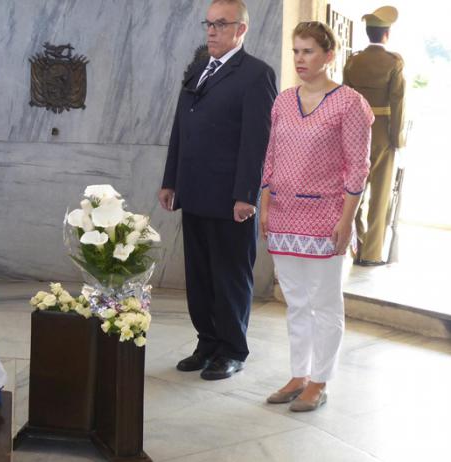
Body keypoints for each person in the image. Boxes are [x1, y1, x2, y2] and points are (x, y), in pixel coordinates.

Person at [159, 0, 277, 380]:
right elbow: (181, 127)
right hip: (193, 192)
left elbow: (257, 141)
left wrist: (247, 194)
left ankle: (232, 349)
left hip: (230, 199)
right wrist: (170, 179)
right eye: (208, 24)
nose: (211, 31)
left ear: (240, 29)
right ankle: (207, 342)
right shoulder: (199, 69)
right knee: (200, 275)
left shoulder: (256, 74)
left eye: (220, 24)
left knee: (229, 276)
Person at [260, 21, 373, 411]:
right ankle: (298, 374)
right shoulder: (283, 101)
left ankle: (320, 381)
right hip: (284, 215)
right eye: (296, 51)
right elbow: (271, 155)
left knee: (324, 302)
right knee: (295, 301)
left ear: (329, 56)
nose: (300, 59)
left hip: (326, 216)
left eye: (308, 51)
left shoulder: (349, 103)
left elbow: (357, 167)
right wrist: (265, 201)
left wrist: (347, 219)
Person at [343, 6, 405, 266]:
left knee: (353, 191)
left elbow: (345, 100)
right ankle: (371, 253)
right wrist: (397, 139)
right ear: (386, 34)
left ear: (368, 33)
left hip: (354, 133)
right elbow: (398, 101)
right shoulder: (394, 62)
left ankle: (356, 246)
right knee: (379, 194)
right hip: (381, 134)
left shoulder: (354, 60)